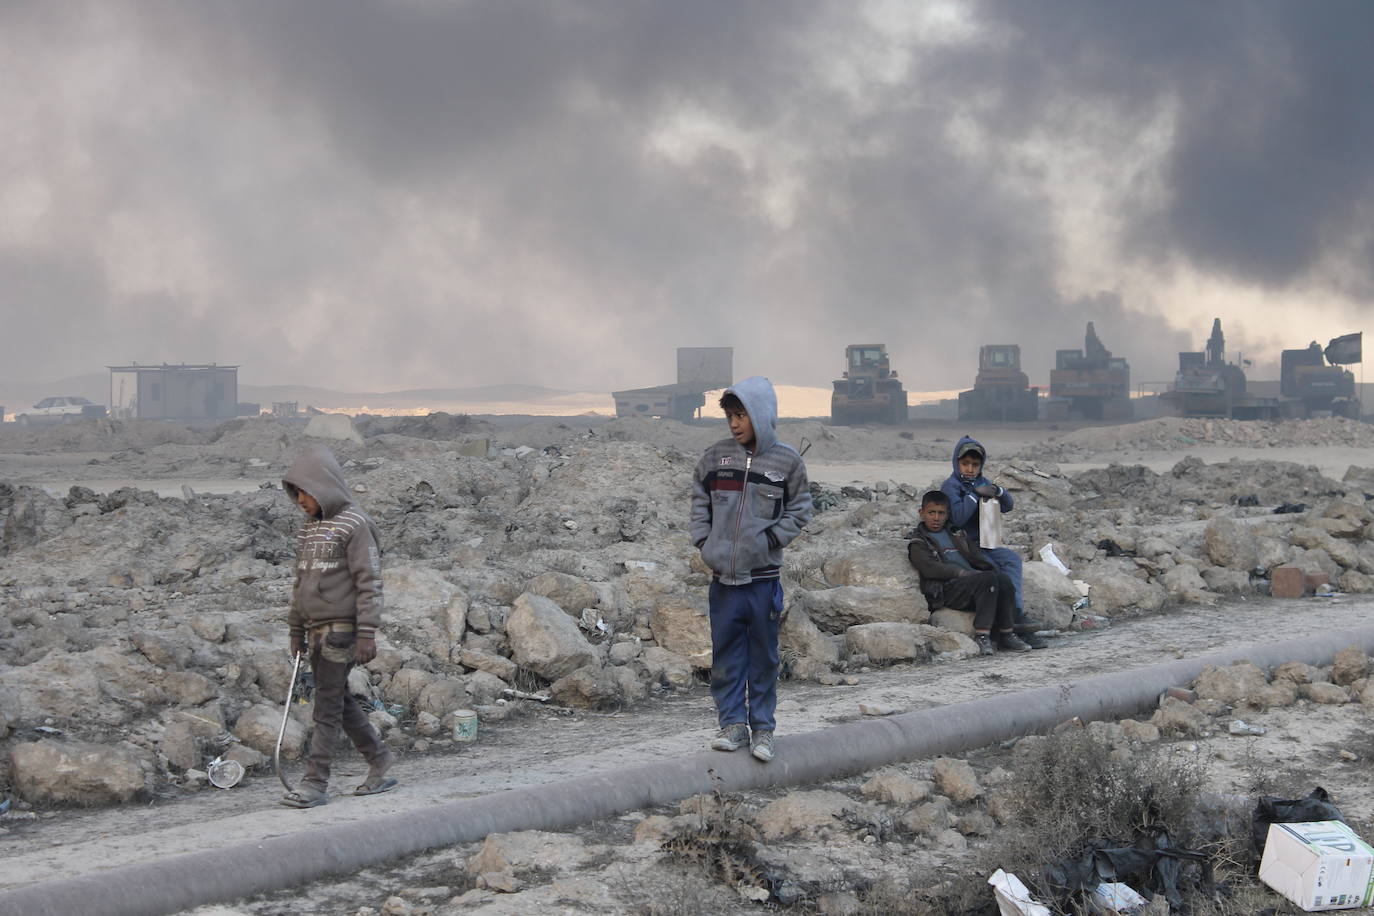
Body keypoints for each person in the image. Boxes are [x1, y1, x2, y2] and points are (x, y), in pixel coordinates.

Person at [690, 377, 813, 763]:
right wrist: (703, 543)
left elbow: (800, 509)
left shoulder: (787, 461)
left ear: (761, 414)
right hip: (723, 583)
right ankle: (732, 725)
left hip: (762, 582)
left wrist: (771, 540)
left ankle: (763, 729)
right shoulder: (715, 458)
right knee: (726, 656)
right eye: (730, 416)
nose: (734, 423)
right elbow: (699, 501)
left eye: (741, 415)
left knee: (763, 656)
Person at [279, 444, 396, 808]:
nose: (299, 499)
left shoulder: (355, 524)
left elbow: (369, 581)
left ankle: (316, 782)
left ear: (324, 485)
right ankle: (379, 760)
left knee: (326, 707)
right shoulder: (309, 531)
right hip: (314, 630)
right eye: (295, 491)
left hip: (341, 630)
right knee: (338, 702)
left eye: (305, 490)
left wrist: (366, 632)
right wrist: (296, 630)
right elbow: (301, 584)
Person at [940, 435, 1048, 649]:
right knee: (995, 571)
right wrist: (972, 496)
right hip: (964, 546)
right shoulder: (950, 486)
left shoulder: (982, 481)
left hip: (985, 541)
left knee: (1011, 560)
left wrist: (999, 491)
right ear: (956, 463)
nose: (969, 469)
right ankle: (1005, 628)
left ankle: (1016, 614)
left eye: (974, 464)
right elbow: (959, 517)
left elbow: (1007, 505)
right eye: (965, 464)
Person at [907, 490, 1031, 656]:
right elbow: (930, 568)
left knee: (1002, 579)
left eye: (941, 513)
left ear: (947, 514)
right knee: (987, 581)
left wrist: (990, 570)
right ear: (921, 513)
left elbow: (976, 556)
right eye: (931, 513)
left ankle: (1007, 634)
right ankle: (982, 635)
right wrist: (961, 573)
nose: (936, 518)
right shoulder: (919, 541)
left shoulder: (956, 533)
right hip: (947, 589)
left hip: (971, 583)